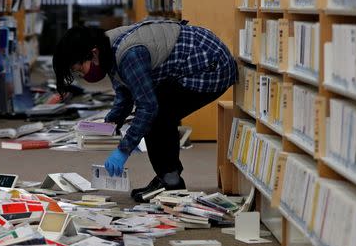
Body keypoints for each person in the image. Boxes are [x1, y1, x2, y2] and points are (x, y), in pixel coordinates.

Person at [53, 20, 237, 201]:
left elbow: (148, 107)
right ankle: (166, 177)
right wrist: (111, 123)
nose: (83, 76)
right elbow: (126, 91)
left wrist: (123, 150)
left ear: (93, 54)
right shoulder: (106, 50)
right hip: (193, 64)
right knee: (156, 111)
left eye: (80, 70)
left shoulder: (128, 55)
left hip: (212, 67)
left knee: (157, 115)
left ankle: (171, 181)